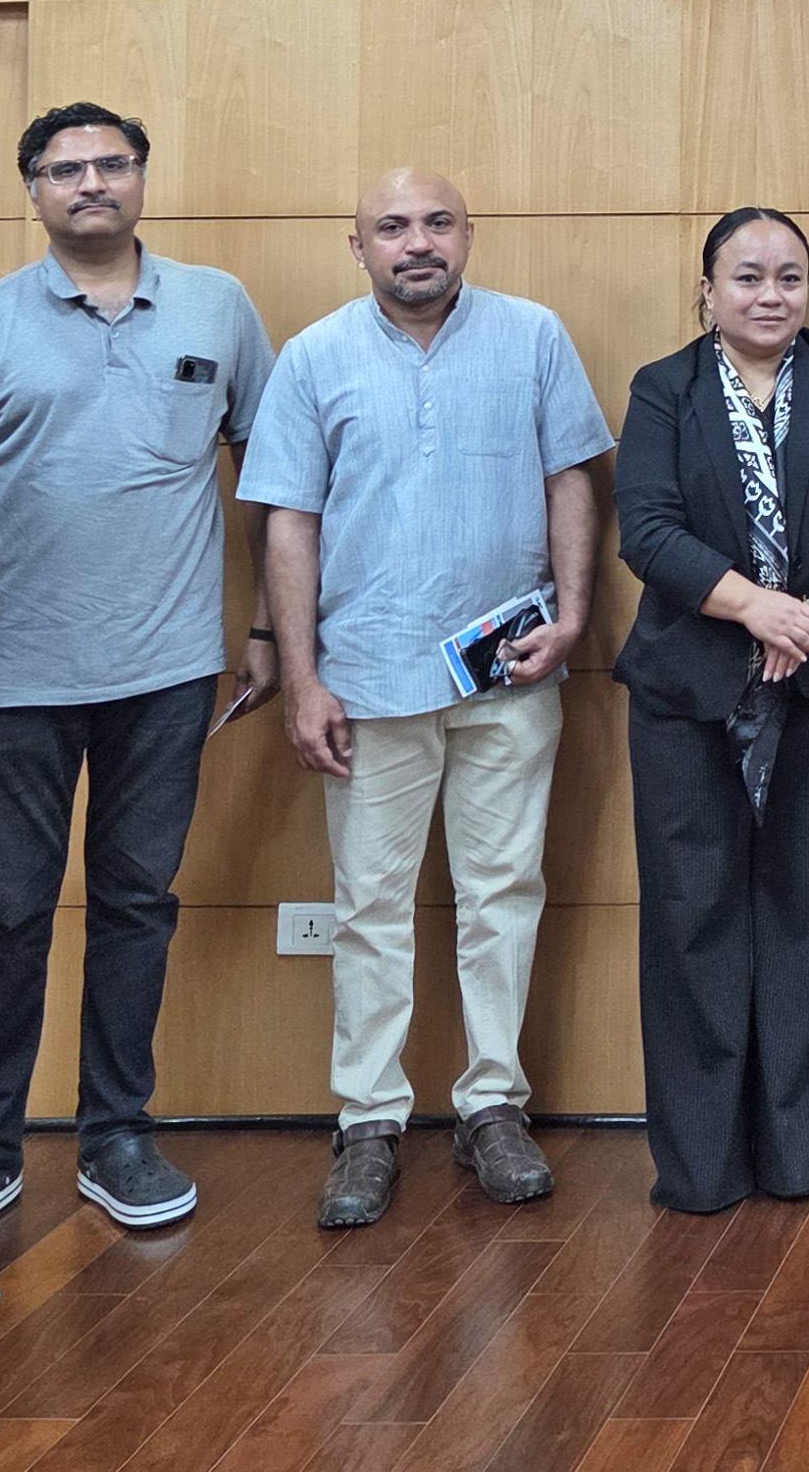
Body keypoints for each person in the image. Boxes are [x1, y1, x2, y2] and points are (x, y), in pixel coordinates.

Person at [0, 101, 277, 1256]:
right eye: (67, 169)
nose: (92, 182)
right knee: (8, 914)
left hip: (167, 671)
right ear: (33, 193)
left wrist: (265, 629)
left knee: (136, 904)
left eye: (112, 163)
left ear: (143, 179)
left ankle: (117, 1134)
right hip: (10, 673)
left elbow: (268, 471)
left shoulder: (217, 305)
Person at [243, 167, 614, 1232]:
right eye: (393, 226)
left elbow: (571, 482)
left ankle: (492, 1103)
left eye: (439, 223)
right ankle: (369, 1119)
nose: (419, 242)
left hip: (511, 671)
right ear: (354, 244)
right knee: (370, 905)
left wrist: (577, 617)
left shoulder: (533, 336)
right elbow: (289, 524)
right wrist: (303, 677)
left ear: (468, 235)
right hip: (365, 680)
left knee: (505, 891)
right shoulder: (314, 357)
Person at [613, 209, 809, 1212]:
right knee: (692, 913)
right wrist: (759, 610)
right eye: (747, 276)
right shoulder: (665, 388)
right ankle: (701, 1166)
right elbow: (646, 529)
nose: (770, 293)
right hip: (686, 690)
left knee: (807, 905)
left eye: (789, 275)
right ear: (707, 291)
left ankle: (802, 1151)